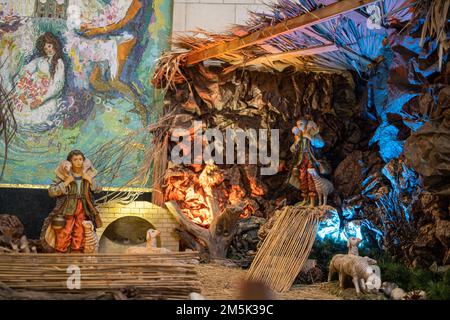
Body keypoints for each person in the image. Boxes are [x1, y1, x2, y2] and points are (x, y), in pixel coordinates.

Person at [45, 150, 103, 253]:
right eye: (75, 159)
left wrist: (89, 179)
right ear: (70, 162)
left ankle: (76, 256)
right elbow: (51, 191)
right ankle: (60, 255)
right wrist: (66, 182)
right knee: (64, 231)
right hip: (67, 208)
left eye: (80, 159)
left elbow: (99, 189)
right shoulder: (63, 174)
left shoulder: (88, 174)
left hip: (83, 207)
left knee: (80, 231)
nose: (78, 162)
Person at [12, 32, 65, 125]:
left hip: (46, 94)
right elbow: (26, 70)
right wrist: (22, 90)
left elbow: (58, 84)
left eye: (49, 46)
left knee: (34, 114)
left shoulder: (59, 63)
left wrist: (41, 99)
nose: (48, 50)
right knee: (17, 104)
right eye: (45, 48)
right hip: (33, 90)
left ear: (54, 45)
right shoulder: (41, 60)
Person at [289, 117, 324, 206]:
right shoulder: (298, 136)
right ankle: (305, 199)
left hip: (311, 159)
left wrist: (310, 137)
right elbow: (292, 149)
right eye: (297, 124)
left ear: (306, 124)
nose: (299, 126)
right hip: (301, 160)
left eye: (301, 124)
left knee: (311, 179)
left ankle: (313, 201)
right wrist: (297, 141)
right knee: (302, 179)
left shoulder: (312, 132)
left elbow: (321, 143)